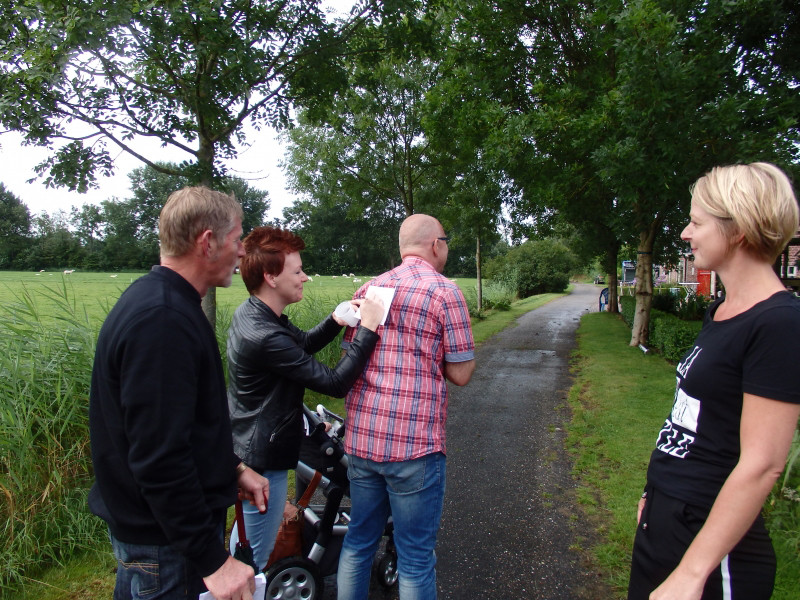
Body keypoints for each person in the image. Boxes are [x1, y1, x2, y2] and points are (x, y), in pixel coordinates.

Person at [627, 162, 800, 600]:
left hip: (711, 548)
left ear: (738, 229)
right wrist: (657, 491)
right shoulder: (722, 311)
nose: (685, 233)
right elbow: (697, 419)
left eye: (696, 222)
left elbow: (763, 464)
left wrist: (692, 573)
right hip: (668, 520)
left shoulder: (778, 323)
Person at [88, 186, 271, 600]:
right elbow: (159, 458)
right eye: (237, 238)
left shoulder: (162, 303)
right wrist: (213, 561)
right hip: (164, 552)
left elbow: (175, 428)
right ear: (208, 242)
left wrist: (230, 468)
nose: (242, 252)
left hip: (165, 542)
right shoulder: (163, 321)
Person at [227, 226, 385, 571]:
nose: (305, 277)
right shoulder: (266, 334)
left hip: (251, 447)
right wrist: (369, 330)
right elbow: (335, 382)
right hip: (262, 460)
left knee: (248, 549)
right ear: (271, 277)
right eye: (297, 271)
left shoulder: (256, 314)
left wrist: (335, 320)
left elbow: (302, 345)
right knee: (253, 563)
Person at [337, 214, 476, 600]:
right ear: (436, 245)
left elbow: (350, 356)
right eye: (445, 241)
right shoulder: (445, 292)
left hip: (364, 441)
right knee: (415, 556)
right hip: (414, 447)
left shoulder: (369, 289)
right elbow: (462, 374)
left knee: (359, 540)